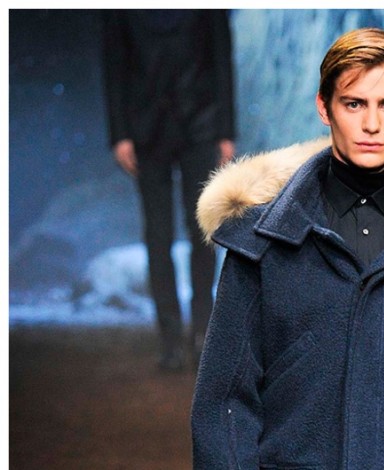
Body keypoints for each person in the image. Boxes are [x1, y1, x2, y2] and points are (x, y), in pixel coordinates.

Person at [192, 27, 384, 468]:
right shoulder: (262, 242)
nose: (372, 124)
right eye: (354, 103)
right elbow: (225, 405)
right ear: (324, 107)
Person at [101, 10, 236, 372]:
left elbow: (221, 57)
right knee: (158, 234)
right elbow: (114, 63)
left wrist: (225, 131)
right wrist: (119, 134)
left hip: (200, 124)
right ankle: (170, 339)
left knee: (202, 228)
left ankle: (204, 332)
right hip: (145, 127)